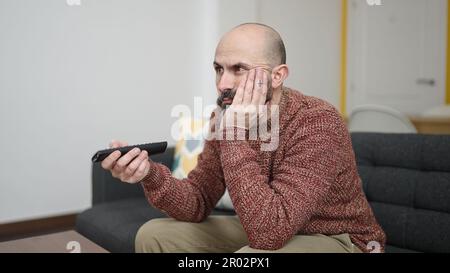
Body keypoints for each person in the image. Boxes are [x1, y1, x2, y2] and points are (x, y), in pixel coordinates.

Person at [101, 23, 386, 253]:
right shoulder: (224, 116)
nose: (223, 83)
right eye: (218, 69)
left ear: (278, 76)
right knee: (154, 235)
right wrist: (149, 174)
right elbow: (199, 200)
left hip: (340, 239)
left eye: (239, 69)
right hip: (271, 225)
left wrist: (234, 132)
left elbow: (269, 234)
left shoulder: (317, 120)